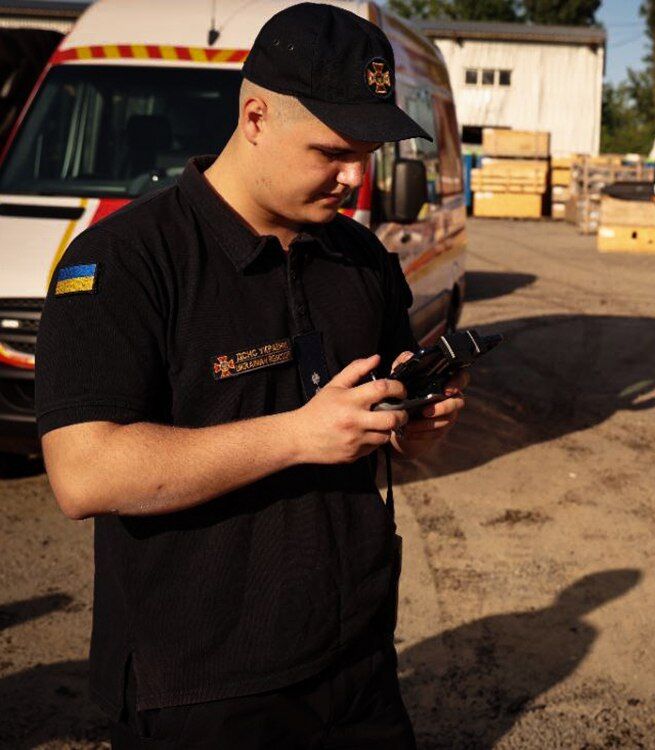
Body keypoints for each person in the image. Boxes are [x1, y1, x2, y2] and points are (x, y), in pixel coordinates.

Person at [34, 4, 466, 747]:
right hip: (201, 689)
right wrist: (299, 436)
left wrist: (415, 428)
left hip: (355, 668)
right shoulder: (126, 260)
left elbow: (392, 444)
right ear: (257, 117)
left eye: (368, 152)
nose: (356, 178)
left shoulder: (358, 259)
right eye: (333, 151)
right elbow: (84, 472)